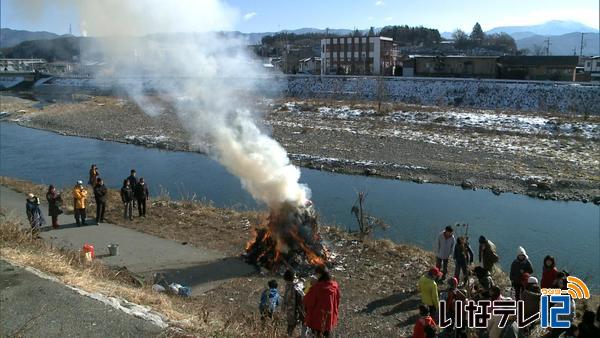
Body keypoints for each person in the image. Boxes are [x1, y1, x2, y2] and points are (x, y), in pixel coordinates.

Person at [303, 266, 341, 337]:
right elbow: (337, 300)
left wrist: (311, 287)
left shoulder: (316, 288)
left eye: (316, 274)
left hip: (317, 319)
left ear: (319, 275)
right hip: (329, 316)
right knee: (327, 334)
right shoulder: (334, 286)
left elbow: (308, 302)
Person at [282, 269, 306, 337]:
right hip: (298, 309)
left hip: (291, 310)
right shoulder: (297, 285)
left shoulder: (289, 286)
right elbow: (303, 294)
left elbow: (286, 300)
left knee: (290, 327)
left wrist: (283, 308)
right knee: (300, 326)